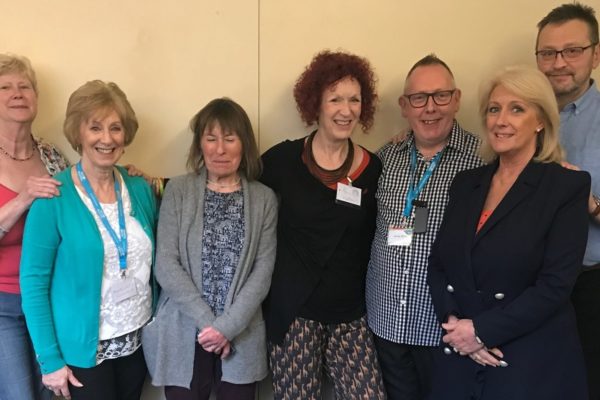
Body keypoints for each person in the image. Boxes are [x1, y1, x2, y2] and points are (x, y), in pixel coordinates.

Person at [426, 65, 590, 400]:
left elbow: (555, 285)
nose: (501, 120)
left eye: (517, 109)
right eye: (494, 109)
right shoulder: (466, 184)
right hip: (460, 356)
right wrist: (456, 325)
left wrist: (481, 332)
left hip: (528, 362)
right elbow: (439, 264)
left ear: (541, 120)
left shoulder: (565, 187)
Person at [20, 80, 157, 400]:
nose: (106, 139)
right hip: (83, 353)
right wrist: (50, 360)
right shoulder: (53, 198)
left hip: (137, 342)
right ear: (78, 133)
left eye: (115, 128)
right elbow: (34, 284)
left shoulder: (139, 188)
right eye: (95, 127)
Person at [261, 50, 386, 400]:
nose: (346, 110)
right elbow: (231, 185)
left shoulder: (374, 168)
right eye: (335, 99)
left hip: (350, 315)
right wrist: (159, 184)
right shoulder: (282, 160)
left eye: (354, 99)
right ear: (315, 104)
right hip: (295, 314)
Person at [142, 98, 277, 400]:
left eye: (230, 138)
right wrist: (210, 325)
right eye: (211, 138)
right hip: (183, 326)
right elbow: (166, 263)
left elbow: (262, 272)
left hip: (241, 331)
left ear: (244, 144)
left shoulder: (264, 199)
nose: (220, 149)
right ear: (199, 144)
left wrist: (226, 327)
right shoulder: (178, 190)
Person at [365, 54, 482, 400]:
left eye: (440, 96)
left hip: (445, 328)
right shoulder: (385, 157)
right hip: (387, 322)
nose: (430, 107)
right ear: (404, 106)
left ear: (456, 99)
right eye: (419, 98)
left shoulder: (482, 160)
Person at [535, 4, 600, 397]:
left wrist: (591, 204)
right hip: (529, 287)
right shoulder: (522, 118)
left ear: (596, 54)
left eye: (572, 51)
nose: (558, 63)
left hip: (590, 288)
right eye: (548, 53)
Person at [0, 53, 69, 400]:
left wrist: (126, 178)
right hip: (3, 304)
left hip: (47, 299)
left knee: (52, 393)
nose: (17, 93)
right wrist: (23, 199)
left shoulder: (52, 156)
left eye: (25, 86)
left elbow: (76, 216)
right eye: (5, 87)